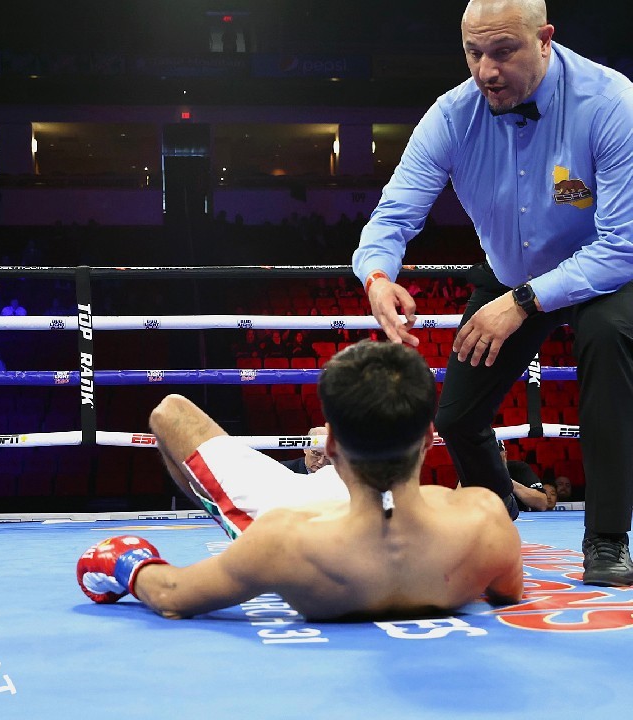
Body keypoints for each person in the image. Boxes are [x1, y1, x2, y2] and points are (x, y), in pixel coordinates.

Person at [352, 0, 633, 586]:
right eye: (473, 53)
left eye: (503, 51)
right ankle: (496, 519)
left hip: (598, 274)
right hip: (510, 270)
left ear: (545, 39)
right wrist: (377, 277)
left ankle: (607, 540)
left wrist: (527, 301)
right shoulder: (452, 115)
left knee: (608, 346)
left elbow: (623, 245)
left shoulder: (610, 102)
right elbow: (393, 215)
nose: (486, 70)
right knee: (456, 418)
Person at [76, 342, 523, 620]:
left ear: (330, 446)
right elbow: (507, 591)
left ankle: (225, 511)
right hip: (365, 510)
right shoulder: (485, 518)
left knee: (169, 412)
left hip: (305, 516)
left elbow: (172, 594)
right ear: (428, 438)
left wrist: (127, 562)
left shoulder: (282, 539)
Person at [498, 439, 547, 512]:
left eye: (497, 454)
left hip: (519, 517)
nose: (494, 459)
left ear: (505, 454)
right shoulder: (479, 473)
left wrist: (508, 481)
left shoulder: (519, 469)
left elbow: (542, 503)